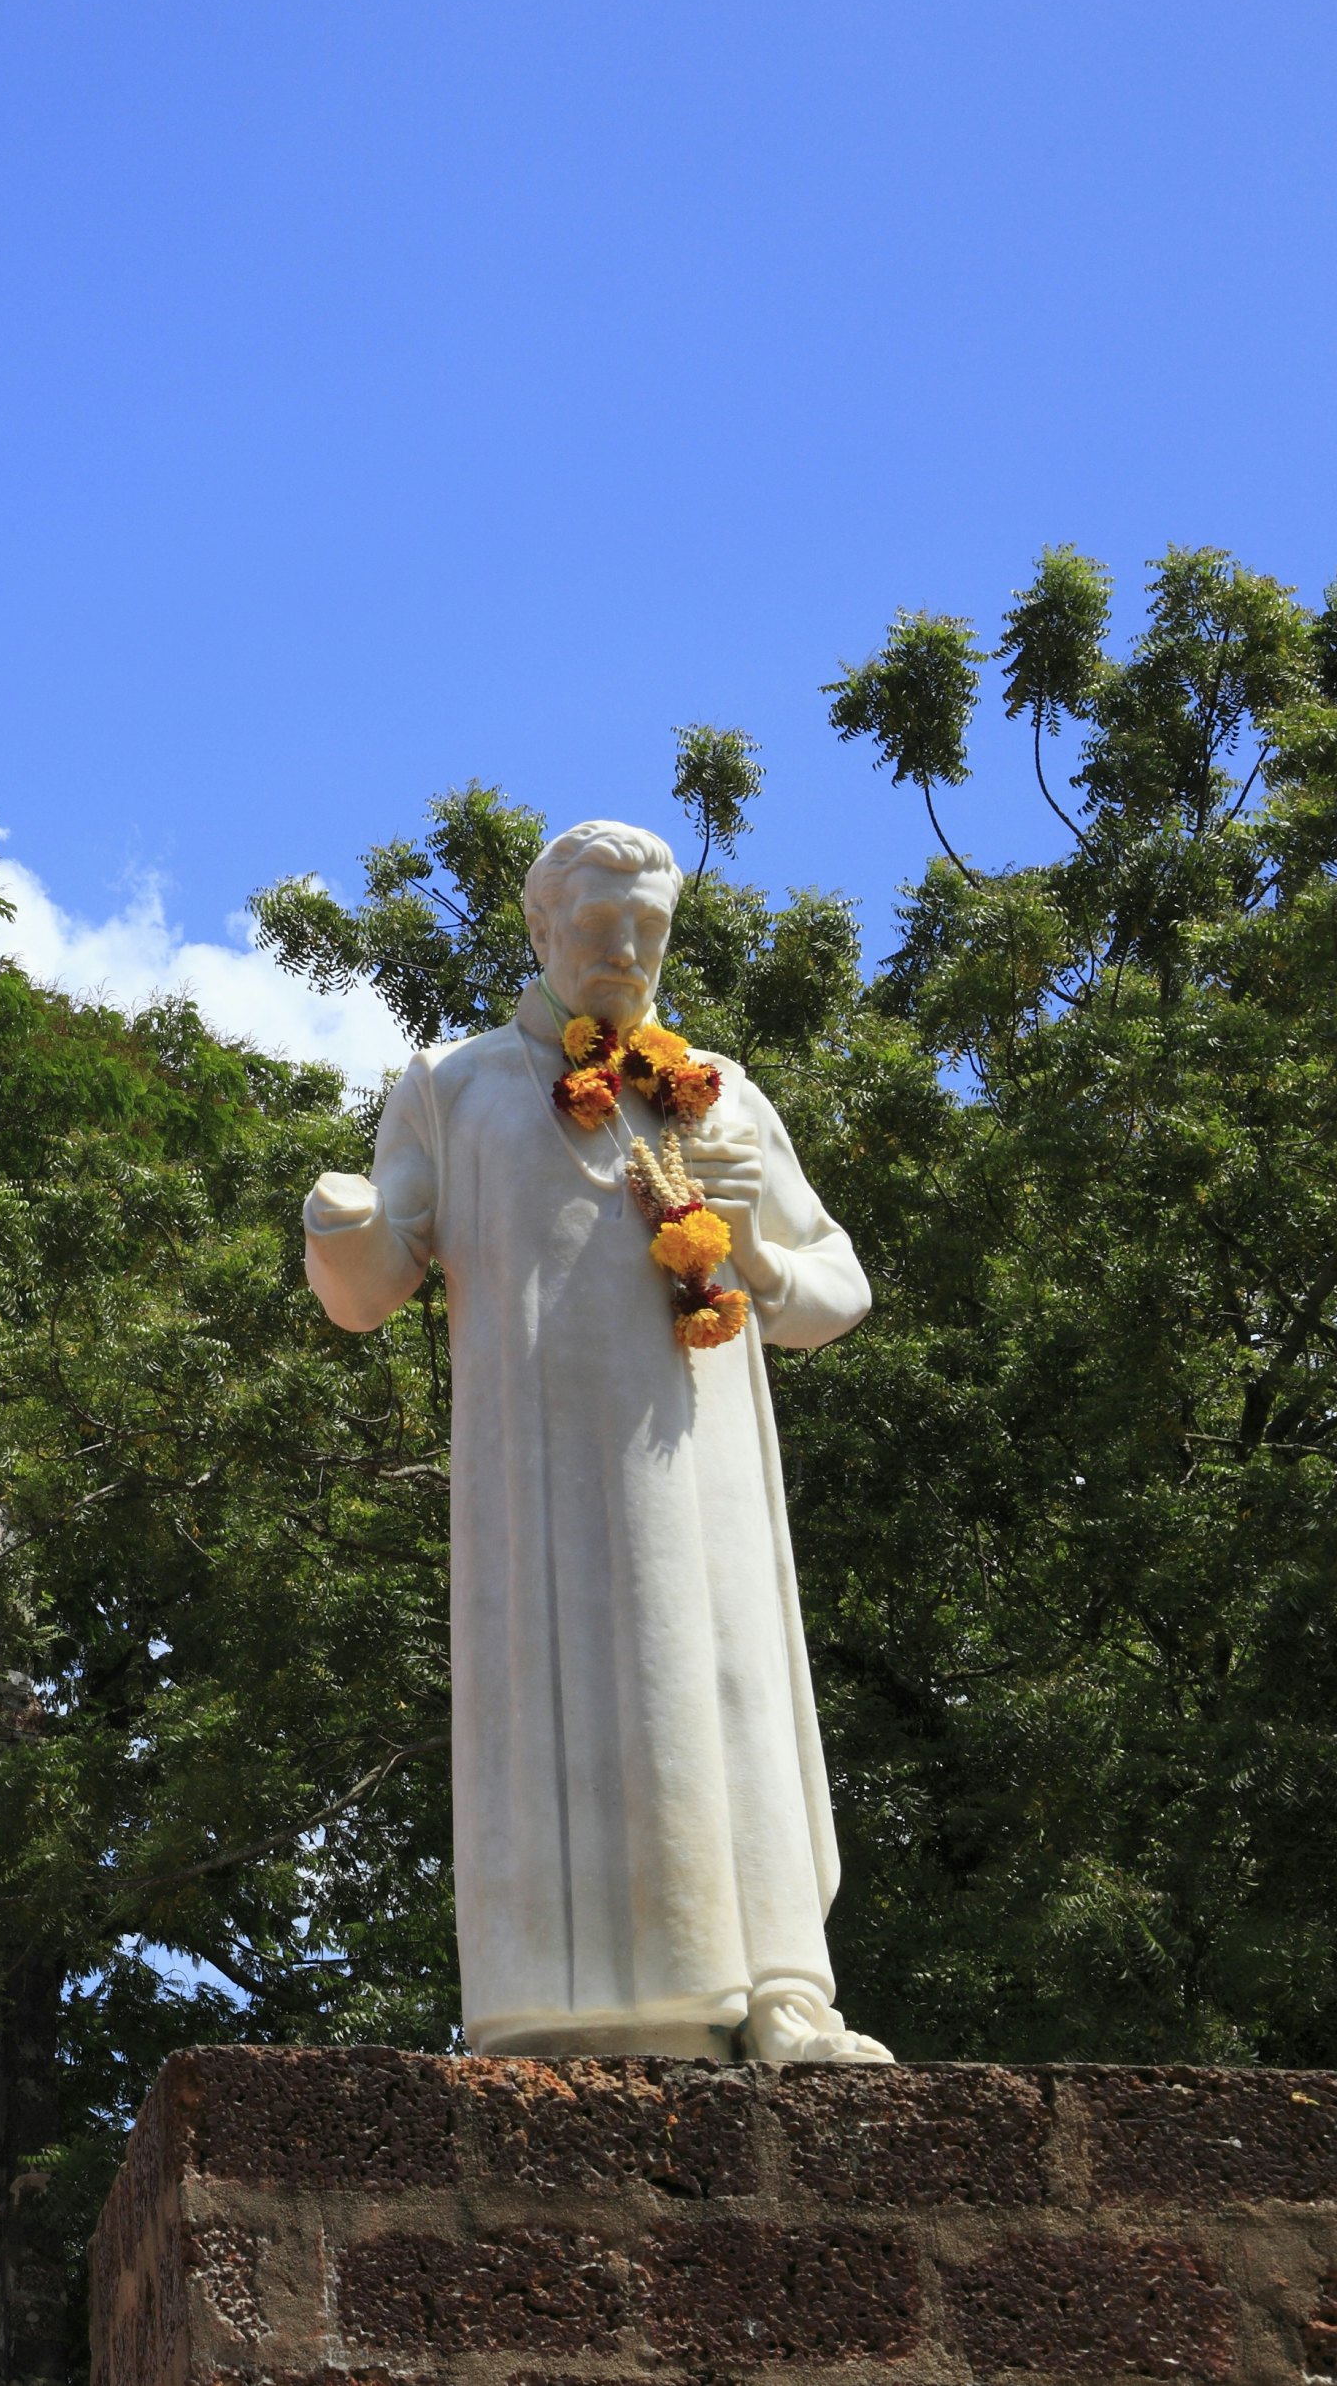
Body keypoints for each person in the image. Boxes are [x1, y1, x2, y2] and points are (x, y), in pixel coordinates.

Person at [304, 819, 890, 2063]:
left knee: (722, 1685)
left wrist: (758, 1250)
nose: (623, 952)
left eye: (647, 929)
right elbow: (366, 1288)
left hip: (704, 1457)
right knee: (562, 1702)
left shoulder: (717, 1090)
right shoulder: (453, 1087)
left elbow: (835, 1289)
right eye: (594, 926)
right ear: (537, 930)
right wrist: (337, 1224)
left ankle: (778, 1992)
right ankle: (553, 2009)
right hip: (541, 1481)